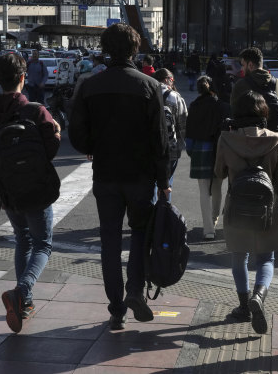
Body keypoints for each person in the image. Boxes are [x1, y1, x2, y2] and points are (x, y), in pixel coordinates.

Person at [69, 23, 171, 331]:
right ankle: (135, 291)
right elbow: (160, 140)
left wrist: (93, 147)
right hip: (141, 176)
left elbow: (77, 134)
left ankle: (115, 309)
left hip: (106, 174)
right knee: (139, 234)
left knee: (109, 240)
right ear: (135, 49)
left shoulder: (89, 85)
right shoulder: (149, 85)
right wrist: (163, 179)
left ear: (105, 49)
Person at [0, 53, 61, 333]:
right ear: (24, 78)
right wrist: (57, 134)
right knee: (43, 244)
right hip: (37, 189)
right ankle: (22, 291)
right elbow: (50, 150)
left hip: (9, 190)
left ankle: (24, 302)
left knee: (22, 240)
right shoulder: (37, 111)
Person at [214, 90, 278, 334]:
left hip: (237, 207)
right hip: (267, 208)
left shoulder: (227, 139)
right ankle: (259, 296)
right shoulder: (274, 140)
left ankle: (244, 307)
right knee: (266, 258)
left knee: (239, 257)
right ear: (263, 113)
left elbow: (219, 172)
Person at [186, 75, 229, 240]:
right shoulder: (220, 106)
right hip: (218, 151)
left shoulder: (194, 106)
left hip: (199, 150)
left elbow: (189, 134)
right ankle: (214, 218)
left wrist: (191, 151)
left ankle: (208, 230)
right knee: (217, 186)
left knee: (204, 191)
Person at [152, 68, 188, 203]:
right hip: (171, 148)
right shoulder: (175, 97)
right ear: (167, 79)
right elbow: (184, 124)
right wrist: (186, 145)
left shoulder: (148, 94)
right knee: (167, 184)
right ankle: (164, 215)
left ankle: (152, 218)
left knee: (152, 184)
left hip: (150, 147)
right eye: (172, 80)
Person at [230, 47, 278, 131]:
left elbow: (234, 111)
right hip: (271, 136)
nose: (241, 69)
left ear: (250, 65)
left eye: (243, 65)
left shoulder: (241, 84)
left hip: (249, 136)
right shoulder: (277, 83)